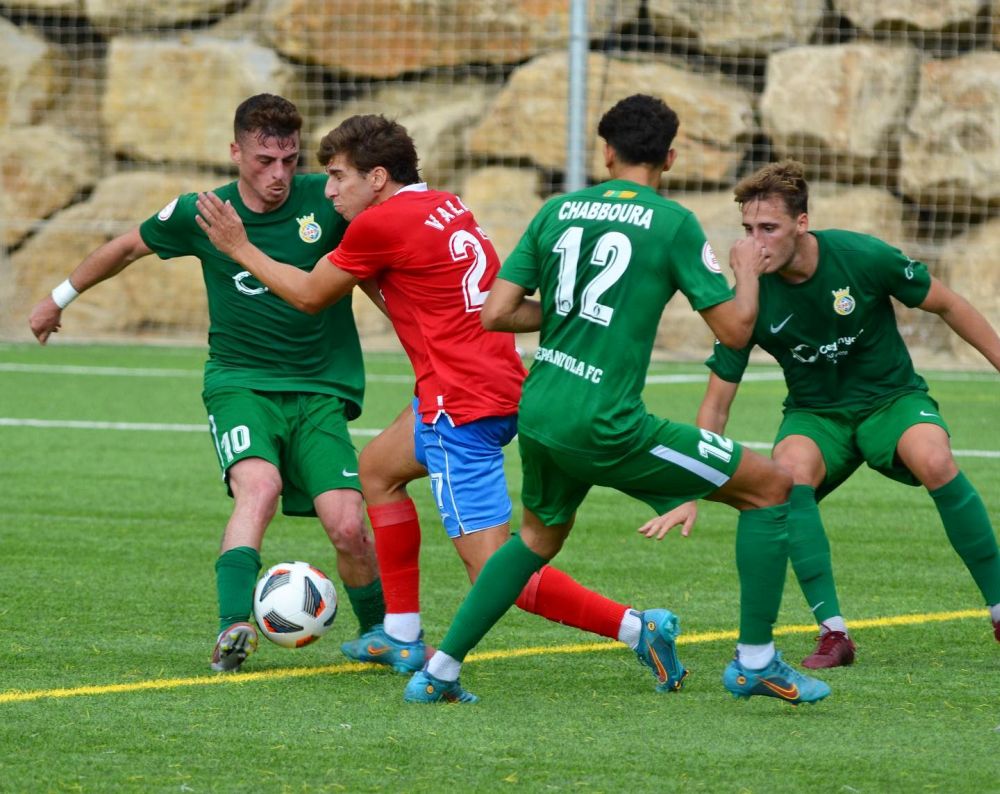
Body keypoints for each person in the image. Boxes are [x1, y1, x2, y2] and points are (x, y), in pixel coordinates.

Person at [194, 113, 690, 694]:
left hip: (463, 404)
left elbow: (307, 294)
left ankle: (638, 627)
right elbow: (428, 292)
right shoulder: (442, 205)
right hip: (478, 381)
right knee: (377, 470)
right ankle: (399, 632)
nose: (327, 191)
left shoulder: (382, 225)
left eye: (337, 177)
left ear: (377, 177)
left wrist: (238, 245)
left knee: (495, 572)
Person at [399, 94, 833, 705]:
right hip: (606, 422)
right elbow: (735, 331)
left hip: (542, 406)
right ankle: (756, 662)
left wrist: (571, 314)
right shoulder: (672, 221)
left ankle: (439, 671)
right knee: (769, 488)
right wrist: (747, 272)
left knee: (535, 540)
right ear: (671, 156)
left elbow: (496, 312)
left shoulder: (557, 210)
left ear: (607, 152)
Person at [28, 94, 385, 673]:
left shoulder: (329, 196)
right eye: (265, 160)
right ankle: (233, 626)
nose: (279, 175)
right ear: (235, 152)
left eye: (290, 160)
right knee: (259, 488)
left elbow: (385, 242)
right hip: (239, 381)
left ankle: (381, 635)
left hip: (319, 387)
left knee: (348, 525)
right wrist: (57, 298)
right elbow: (125, 247)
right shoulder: (203, 211)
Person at [695, 159, 1000, 666]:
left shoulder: (861, 256)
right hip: (817, 416)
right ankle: (833, 633)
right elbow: (715, 402)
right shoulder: (747, 300)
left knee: (936, 459)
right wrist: (692, 482)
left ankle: (997, 605)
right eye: (747, 231)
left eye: (768, 228)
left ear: (802, 223)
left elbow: (948, 305)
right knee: (786, 475)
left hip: (892, 400)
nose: (755, 244)